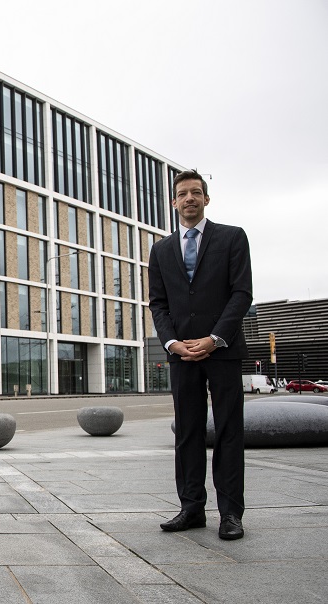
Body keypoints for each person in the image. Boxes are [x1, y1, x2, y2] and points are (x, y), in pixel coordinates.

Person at [148, 169, 252, 540]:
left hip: (222, 351)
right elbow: (158, 304)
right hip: (182, 355)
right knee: (188, 433)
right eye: (182, 193)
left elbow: (241, 294)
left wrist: (214, 337)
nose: (189, 198)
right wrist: (172, 343)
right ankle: (191, 508)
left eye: (196, 192)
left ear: (206, 199)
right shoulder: (160, 250)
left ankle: (230, 515)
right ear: (173, 202)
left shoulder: (232, 237)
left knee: (227, 433)